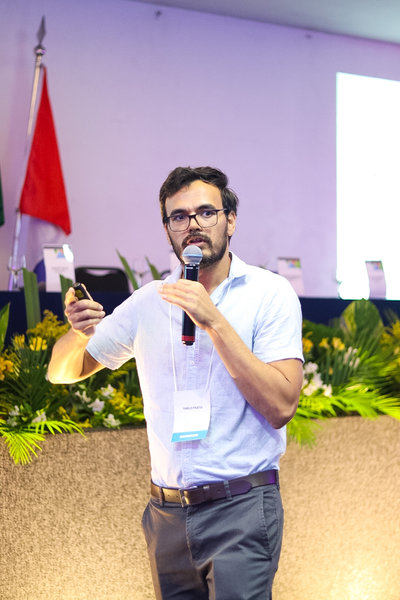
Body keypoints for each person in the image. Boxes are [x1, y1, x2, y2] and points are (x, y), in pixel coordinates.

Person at [48, 166, 304, 599]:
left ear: (230, 220)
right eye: (179, 216)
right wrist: (78, 334)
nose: (193, 225)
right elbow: (61, 372)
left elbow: (281, 406)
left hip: (241, 508)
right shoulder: (150, 301)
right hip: (167, 516)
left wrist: (213, 321)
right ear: (168, 229)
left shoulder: (269, 294)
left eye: (206, 212)